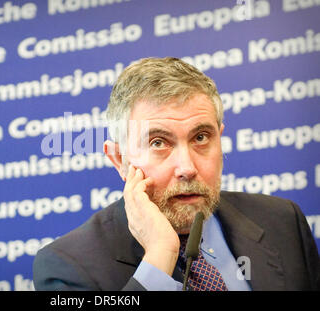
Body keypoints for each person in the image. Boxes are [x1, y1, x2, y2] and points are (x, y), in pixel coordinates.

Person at [33, 57, 320, 291]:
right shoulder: (67, 266)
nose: (187, 168)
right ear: (120, 159)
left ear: (220, 139)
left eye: (201, 138)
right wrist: (159, 256)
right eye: (158, 142)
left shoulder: (283, 221)